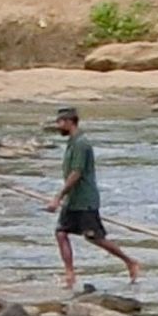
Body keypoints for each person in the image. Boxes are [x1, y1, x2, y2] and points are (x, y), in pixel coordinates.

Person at [46, 107, 139, 288]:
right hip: (73, 200)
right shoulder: (72, 142)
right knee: (61, 233)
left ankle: (130, 261)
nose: (58, 126)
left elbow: (76, 173)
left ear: (69, 122)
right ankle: (70, 274)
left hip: (85, 200)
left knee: (94, 237)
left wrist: (58, 197)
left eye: (60, 122)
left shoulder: (81, 144)